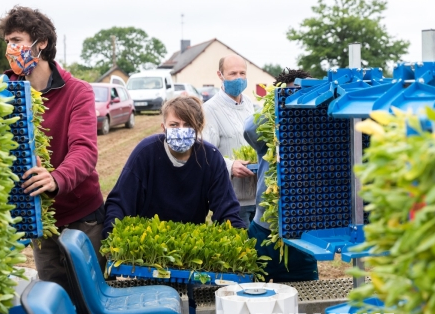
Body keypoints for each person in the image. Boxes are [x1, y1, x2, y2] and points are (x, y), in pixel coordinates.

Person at [0, 6, 106, 293]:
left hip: (82, 216)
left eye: (17, 40)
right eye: (8, 41)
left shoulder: (77, 91)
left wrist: (56, 178)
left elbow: (84, 150)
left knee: (93, 297)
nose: (11, 48)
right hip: (39, 217)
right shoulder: (4, 92)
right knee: (54, 299)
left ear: (41, 43)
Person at [102, 95, 245, 237]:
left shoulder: (210, 157)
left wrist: (237, 239)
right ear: (163, 128)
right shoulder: (145, 152)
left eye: (188, 125)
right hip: (147, 238)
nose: (181, 130)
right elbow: (120, 202)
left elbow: (227, 210)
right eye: (174, 125)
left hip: (190, 241)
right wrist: (112, 237)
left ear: (198, 127)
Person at [244, 68, 318, 281]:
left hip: (304, 239)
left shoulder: (317, 136)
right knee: (259, 302)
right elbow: (249, 128)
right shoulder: (270, 137)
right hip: (264, 233)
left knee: (307, 302)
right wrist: (281, 102)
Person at [202, 54, 258, 227]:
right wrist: (230, 166)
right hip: (230, 201)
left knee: (261, 252)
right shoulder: (209, 110)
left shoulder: (251, 105)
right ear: (220, 75)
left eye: (242, 73)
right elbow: (205, 153)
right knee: (240, 251)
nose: (239, 78)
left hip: (258, 199)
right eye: (233, 74)